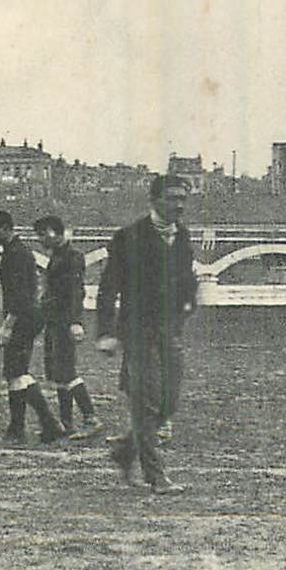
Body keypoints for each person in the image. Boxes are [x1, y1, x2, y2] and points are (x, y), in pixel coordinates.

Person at [95, 174, 196, 493]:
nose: (179, 204)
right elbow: (108, 287)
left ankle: (125, 451)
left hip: (170, 329)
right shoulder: (129, 237)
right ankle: (157, 476)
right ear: (154, 201)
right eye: (172, 197)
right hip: (137, 330)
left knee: (169, 402)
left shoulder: (182, 236)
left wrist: (188, 303)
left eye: (183, 198)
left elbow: (185, 277)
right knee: (146, 402)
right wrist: (106, 332)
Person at [0, 210, 64, 444]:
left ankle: (22, 428)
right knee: (17, 372)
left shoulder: (17, 255)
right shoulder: (16, 252)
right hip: (28, 317)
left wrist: (7, 326)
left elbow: (20, 296)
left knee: (14, 373)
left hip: (23, 318)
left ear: (5, 228)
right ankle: (47, 424)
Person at [33, 215, 102, 439]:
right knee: (57, 373)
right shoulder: (57, 257)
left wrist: (75, 321)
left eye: (43, 234)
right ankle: (66, 423)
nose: (41, 240)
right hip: (54, 321)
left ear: (54, 232)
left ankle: (91, 418)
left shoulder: (73, 257)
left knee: (67, 372)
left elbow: (75, 292)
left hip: (64, 321)